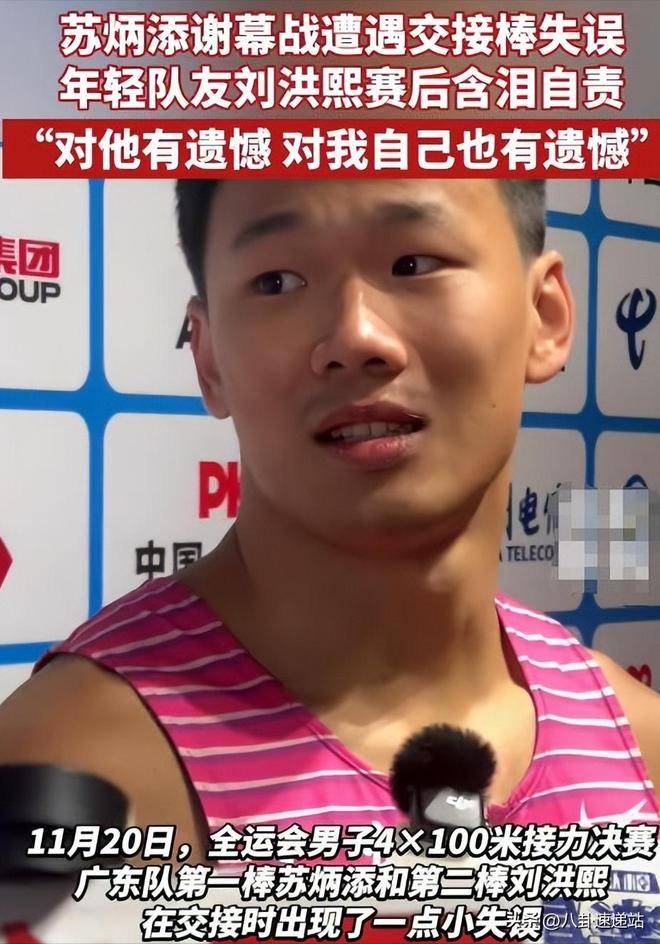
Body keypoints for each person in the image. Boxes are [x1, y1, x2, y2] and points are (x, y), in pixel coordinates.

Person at [0, 178, 658, 867]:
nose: (356, 337)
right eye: (278, 281)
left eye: (413, 264)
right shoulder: (74, 782)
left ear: (544, 316)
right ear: (208, 358)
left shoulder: (635, 739)